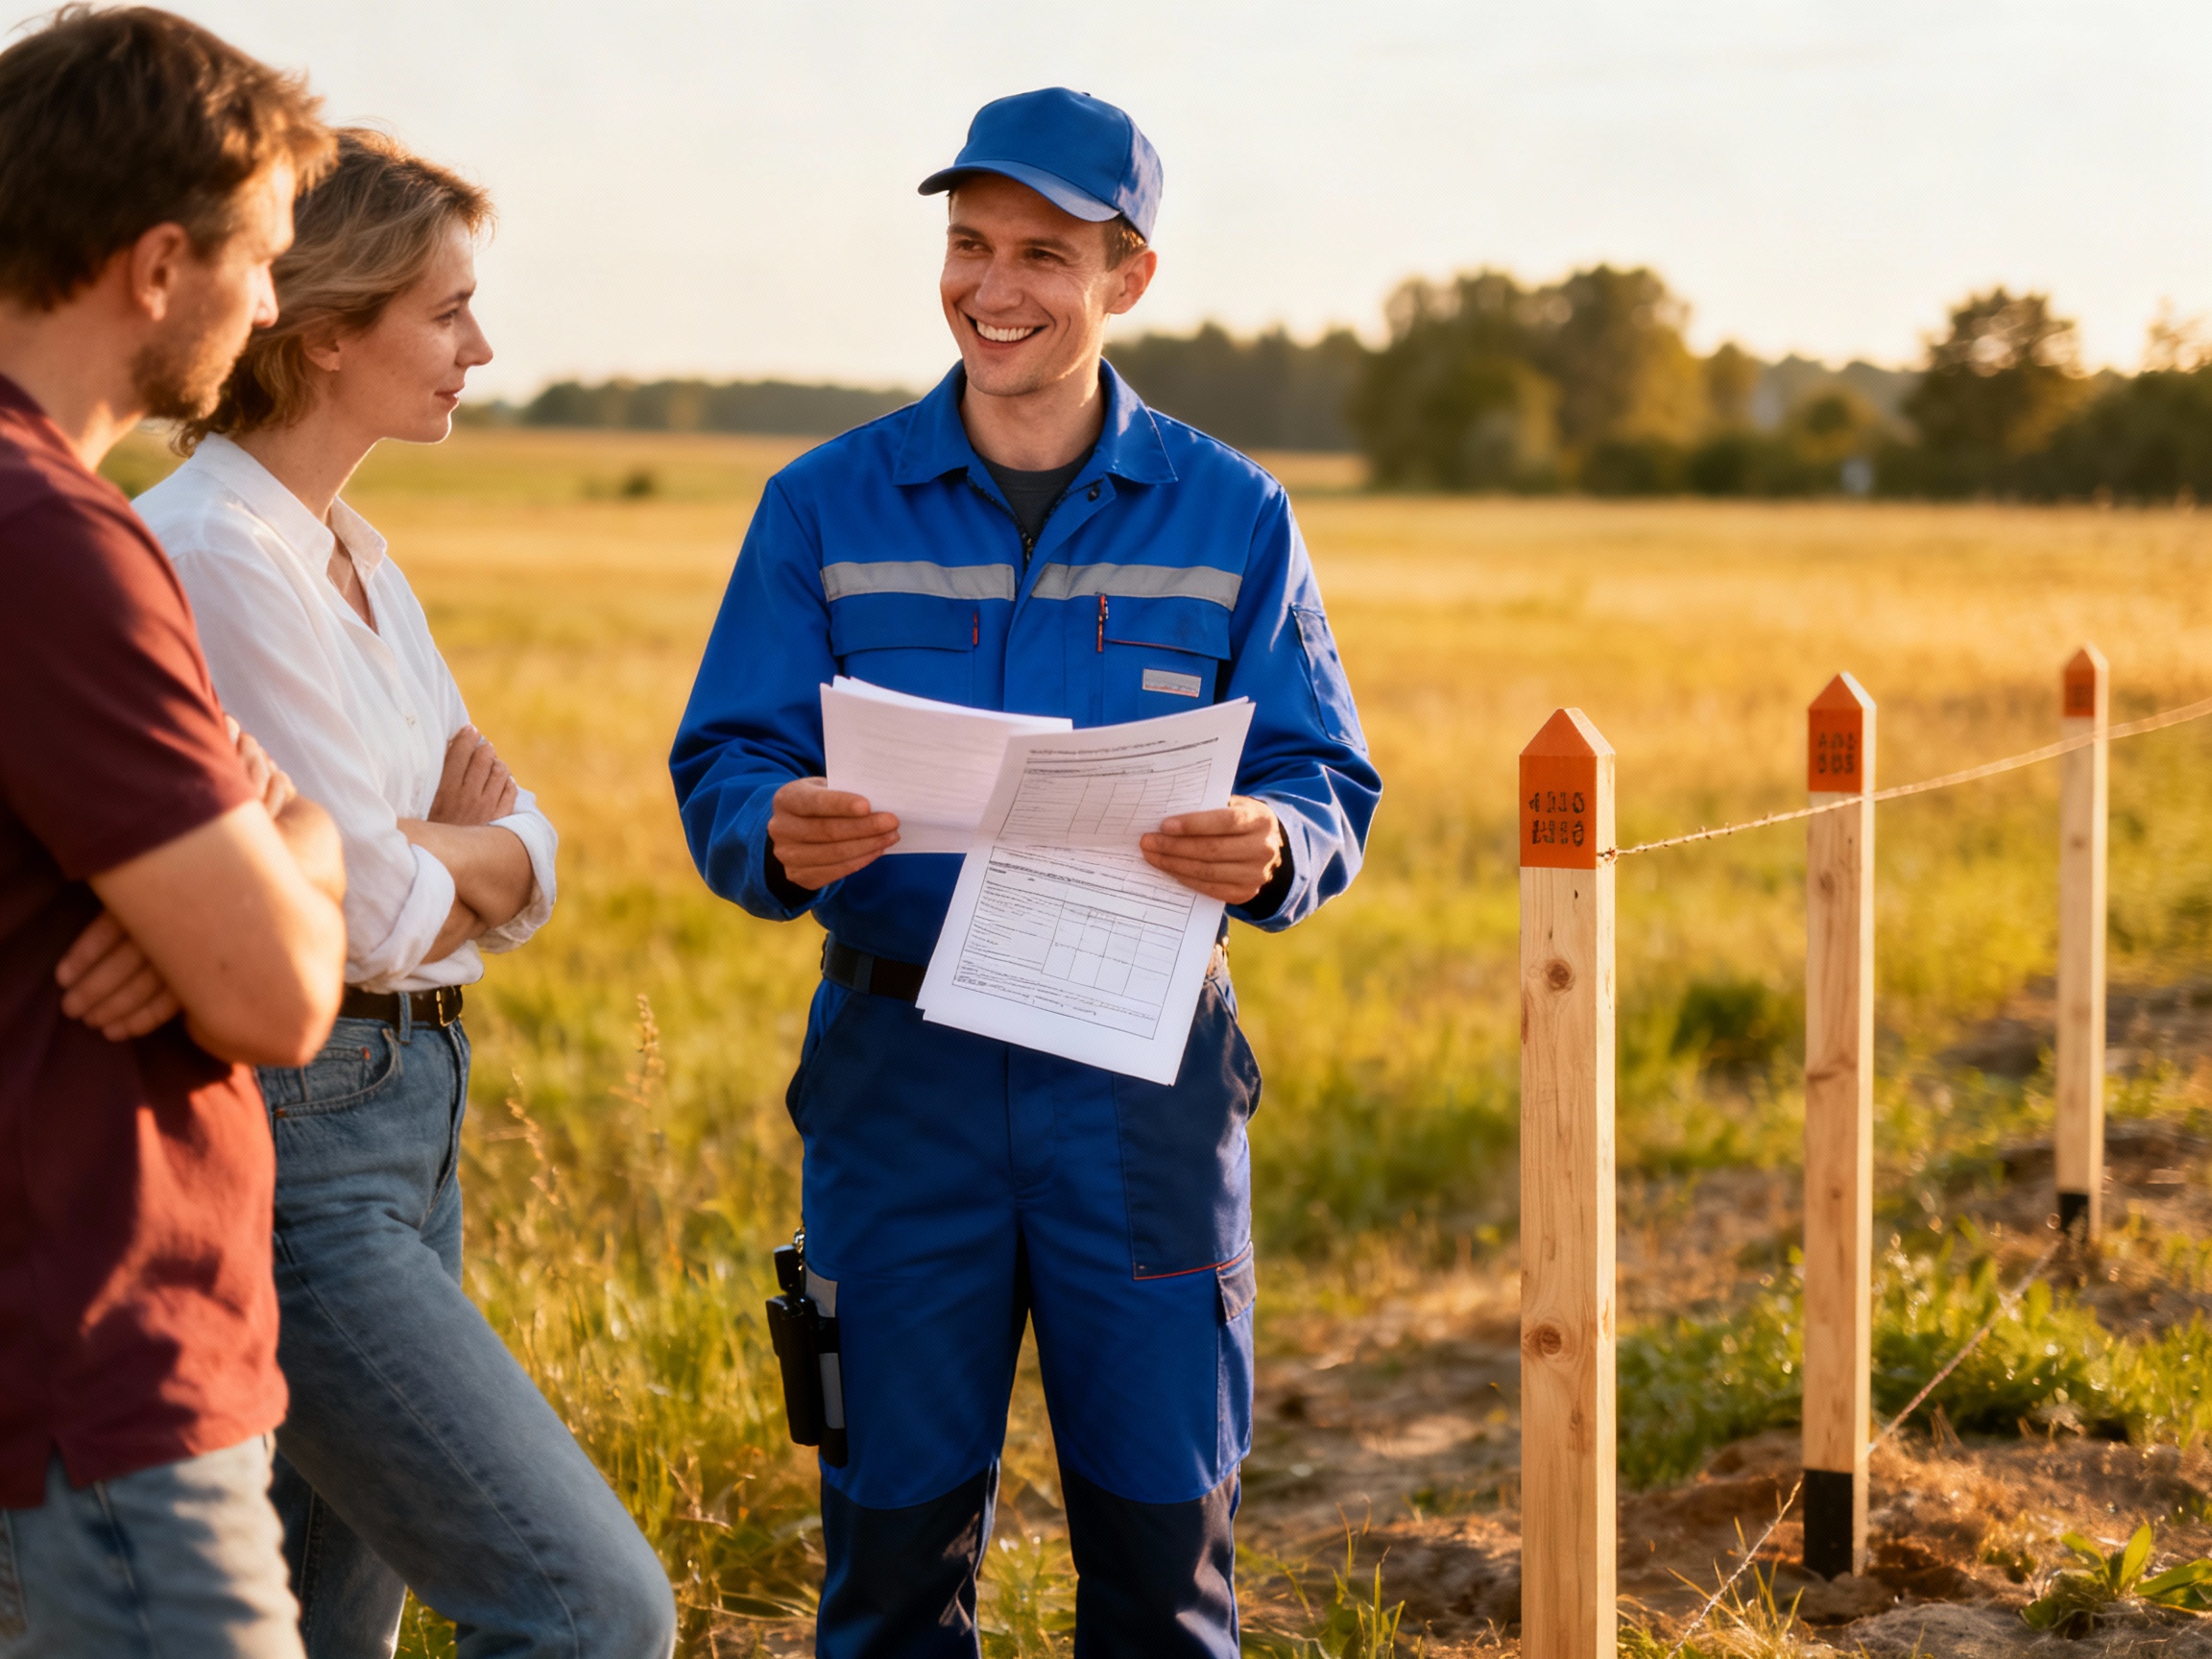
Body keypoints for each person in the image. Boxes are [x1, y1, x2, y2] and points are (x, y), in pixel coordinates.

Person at [672, 87, 1380, 1658]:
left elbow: (1324, 775)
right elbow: (724, 758)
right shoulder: (820, 505)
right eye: (970, 244)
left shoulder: (1233, 511)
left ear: (1128, 277)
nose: (995, 286)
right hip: (895, 1083)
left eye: (1044, 255)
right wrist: (772, 826)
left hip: (1139, 1090)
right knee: (889, 1567)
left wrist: (1279, 847)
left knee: (1160, 1562)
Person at [134, 131, 678, 1659]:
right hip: (302, 1128)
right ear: (323, 336)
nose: (481, 347)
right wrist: (463, 854)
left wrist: (454, 852)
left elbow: (520, 853)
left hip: (410, 1107)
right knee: (593, 1610)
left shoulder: (355, 554)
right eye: (446, 311)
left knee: (325, 1632)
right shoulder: (219, 556)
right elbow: (360, 910)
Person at [0, 9, 349, 1656]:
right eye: (263, 256)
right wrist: (305, 842)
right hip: (96, 1367)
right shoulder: (54, 543)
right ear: (156, 266)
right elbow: (276, 996)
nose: (271, 302)